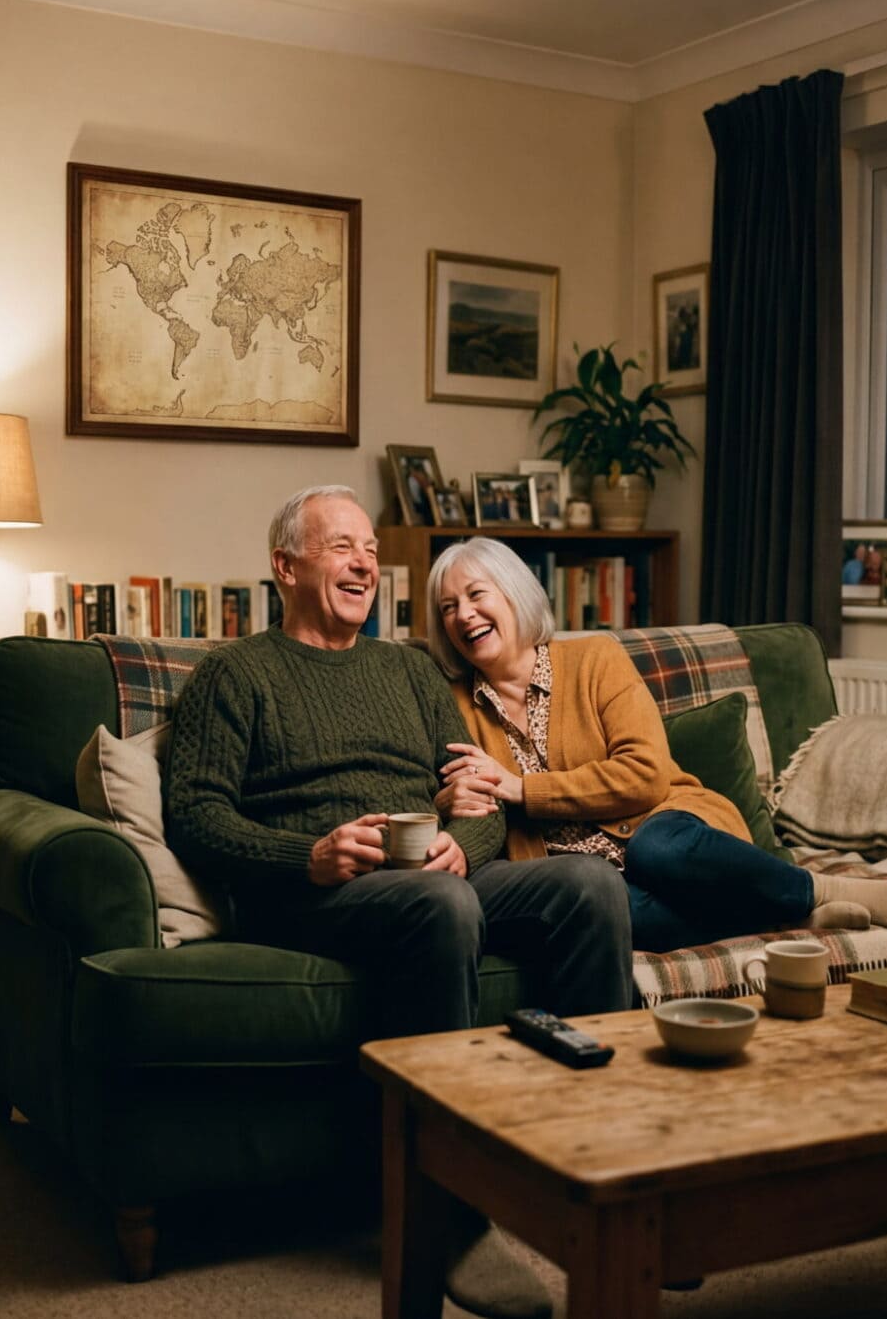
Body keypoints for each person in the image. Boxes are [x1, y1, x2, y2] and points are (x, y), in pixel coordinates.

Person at [166, 487, 632, 1319]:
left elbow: (469, 794)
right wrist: (304, 856)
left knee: (588, 887)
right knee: (441, 910)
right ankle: (445, 1214)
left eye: (373, 551)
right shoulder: (234, 674)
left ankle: (601, 1166)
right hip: (318, 892)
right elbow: (196, 816)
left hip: (431, 870)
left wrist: (467, 844)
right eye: (341, 547)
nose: (365, 564)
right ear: (286, 567)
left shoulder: (408, 668)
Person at [427, 537, 887, 953]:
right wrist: (448, 800)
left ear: (514, 594)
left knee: (653, 849)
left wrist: (523, 789)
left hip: (664, 827)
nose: (463, 615)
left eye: (476, 595)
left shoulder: (594, 659)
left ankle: (816, 887)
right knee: (606, 908)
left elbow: (645, 774)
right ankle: (791, 919)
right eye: (448, 608)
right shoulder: (451, 701)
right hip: (587, 876)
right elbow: (458, 791)